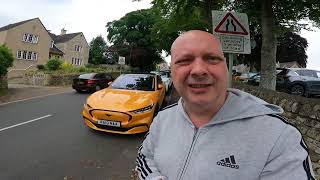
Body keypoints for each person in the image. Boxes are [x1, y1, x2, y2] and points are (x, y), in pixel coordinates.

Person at [135, 30, 315, 180]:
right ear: (172, 71)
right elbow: (145, 157)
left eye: (211, 58)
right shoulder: (163, 118)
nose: (198, 70)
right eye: (184, 60)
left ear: (226, 68)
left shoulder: (279, 137)